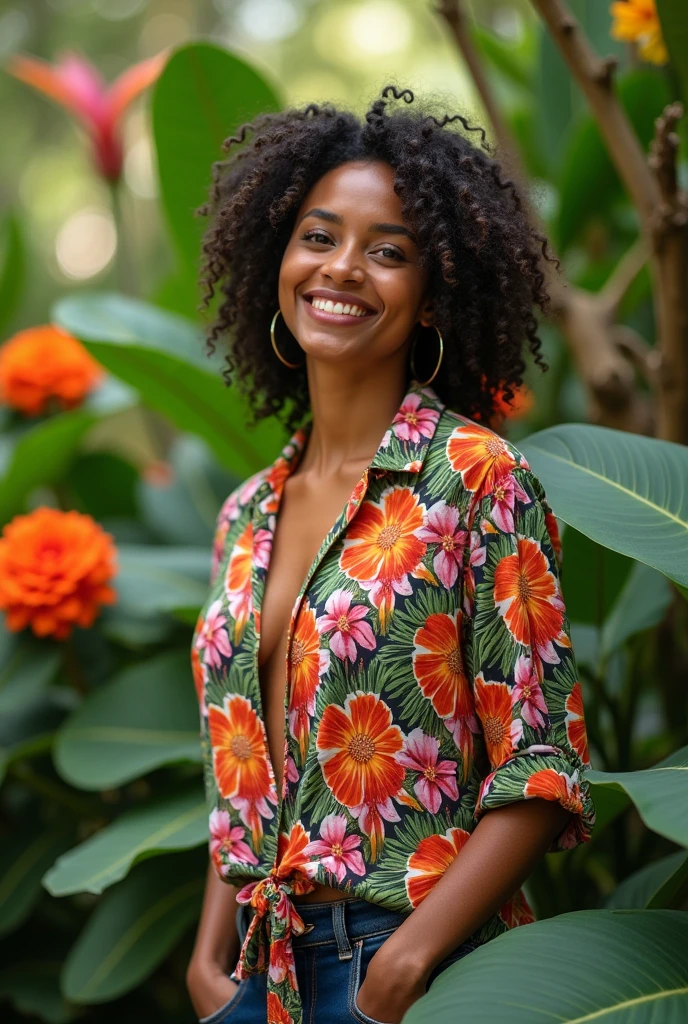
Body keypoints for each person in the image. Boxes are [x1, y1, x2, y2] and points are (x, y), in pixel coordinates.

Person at [186, 84, 595, 1024]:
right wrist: (208, 967)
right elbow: (239, 769)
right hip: (255, 972)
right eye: (319, 237)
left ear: (433, 292)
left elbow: (539, 764)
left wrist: (401, 969)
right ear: (276, 261)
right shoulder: (245, 515)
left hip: (411, 968)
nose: (343, 269)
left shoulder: (475, 479)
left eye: (389, 252)